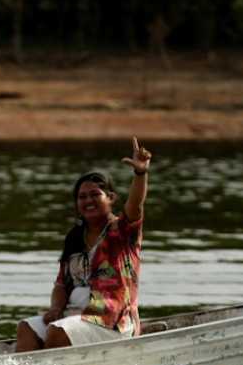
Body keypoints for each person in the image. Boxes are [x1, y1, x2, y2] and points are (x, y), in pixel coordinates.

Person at [16, 137, 152, 352]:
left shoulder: (123, 230)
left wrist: (140, 173)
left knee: (57, 332)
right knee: (26, 328)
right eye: (82, 197)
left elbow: (136, 204)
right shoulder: (74, 238)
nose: (87, 200)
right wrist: (55, 308)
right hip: (71, 315)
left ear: (111, 198)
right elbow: (61, 284)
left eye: (95, 195)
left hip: (110, 320)